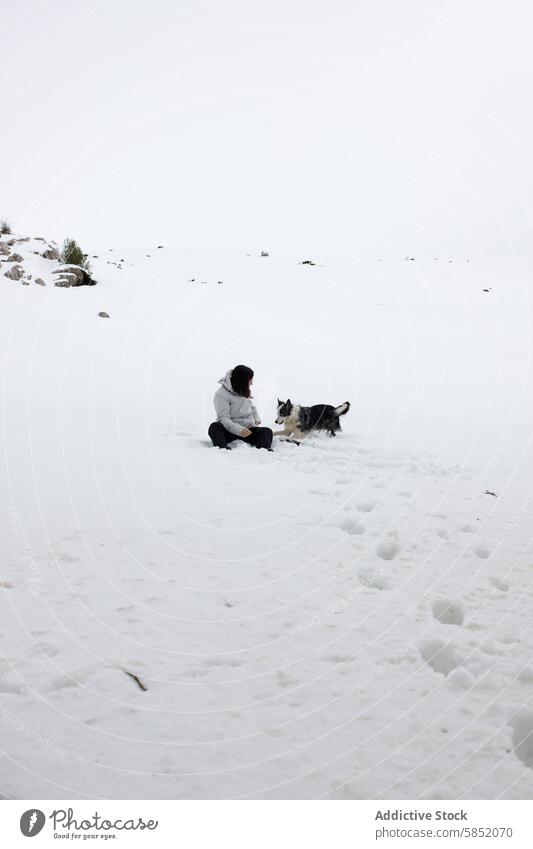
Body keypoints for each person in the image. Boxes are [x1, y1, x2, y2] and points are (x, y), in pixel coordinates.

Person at [208, 365, 273, 451]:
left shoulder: (242, 389)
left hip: (247, 431)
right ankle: (223, 450)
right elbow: (223, 418)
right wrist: (238, 430)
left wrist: (256, 418)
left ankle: (262, 451)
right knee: (214, 427)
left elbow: (251, 406)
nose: (251, 383)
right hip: (230, 431)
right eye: (250, 381)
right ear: (242, 381)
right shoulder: (221, 394)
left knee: (267, 431)